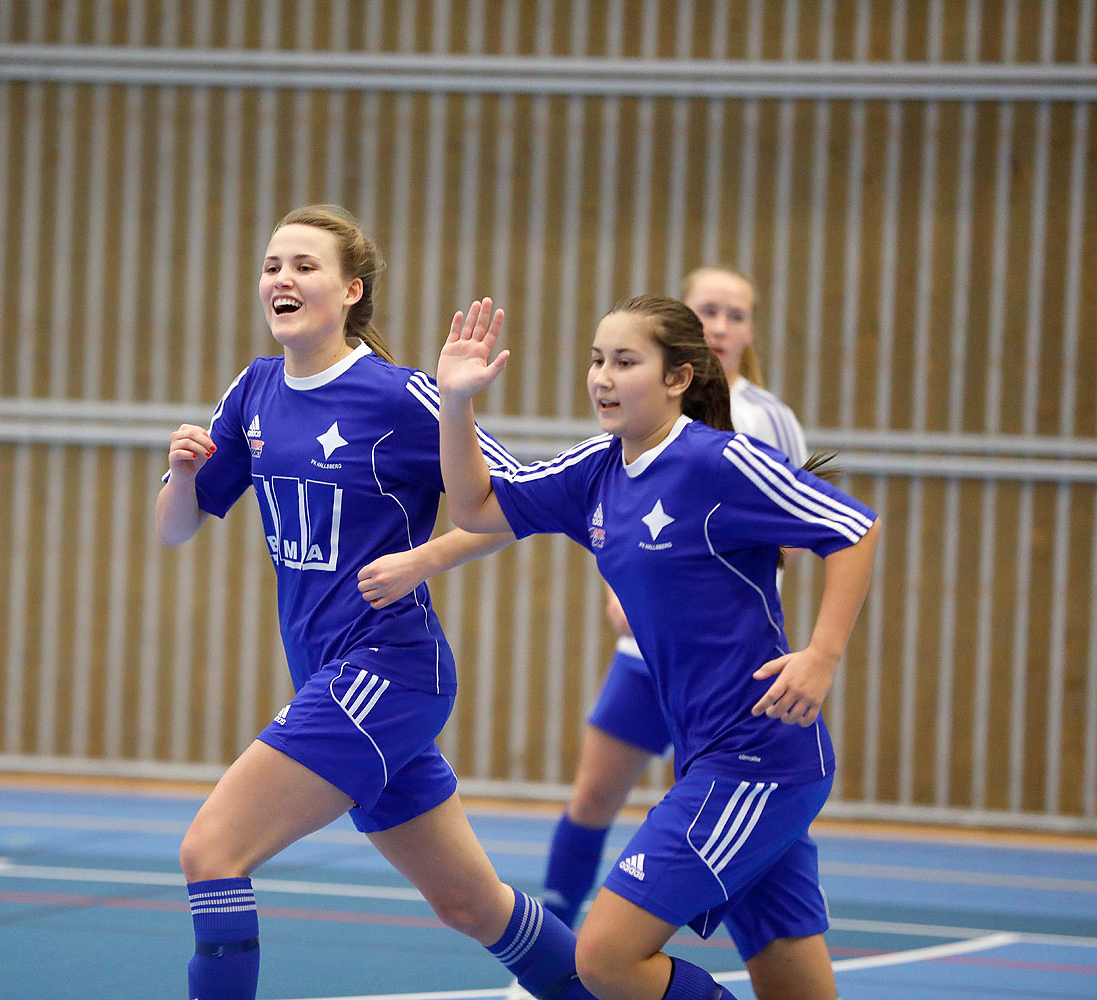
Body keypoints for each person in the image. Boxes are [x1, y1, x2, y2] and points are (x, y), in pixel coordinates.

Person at [156, 205, 599, 1000]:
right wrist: (184, 476)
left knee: (211, 853)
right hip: (334, 678)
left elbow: (514, 505)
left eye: (304, 265)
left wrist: (422, 559)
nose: (281, 279)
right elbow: (175, 530)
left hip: (387, 673)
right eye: (270, 266)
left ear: (352, 290)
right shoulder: (255, 390)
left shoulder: (402, 399)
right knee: (472, 903)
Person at [435, 295, 880, 1000]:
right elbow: (474, 507)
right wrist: (455, 406)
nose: (603, 377)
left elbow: (853, 527)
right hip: (707, 751)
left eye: (625, 361)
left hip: (757, 759)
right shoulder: (596, 471)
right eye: (596, 360)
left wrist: (821, 657)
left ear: (677, 379)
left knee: (606, 957)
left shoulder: (721, 461)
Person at [533, 267, 811, 946]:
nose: (720, 325)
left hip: (730, 667)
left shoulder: (765, 423)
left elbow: (808, 532)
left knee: (748, 817)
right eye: (705, 310)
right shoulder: (634, 409)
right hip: (645, 660)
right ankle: (550, 953)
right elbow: (614, 511)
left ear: (749, 330)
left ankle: (606, 954)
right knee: (594, 795)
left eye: (735, 314)